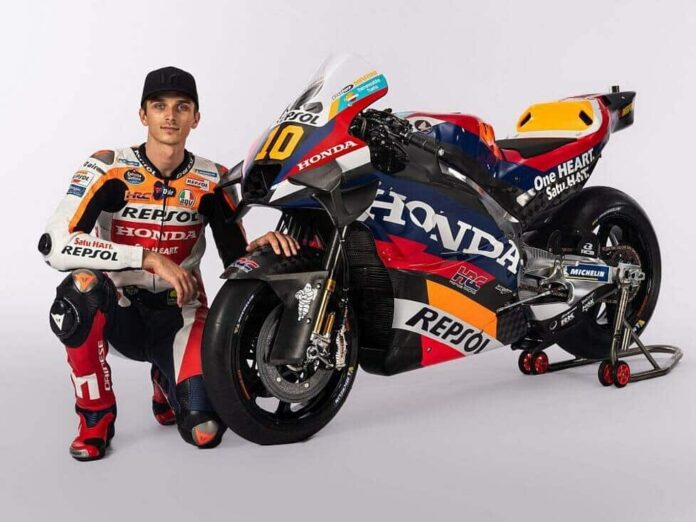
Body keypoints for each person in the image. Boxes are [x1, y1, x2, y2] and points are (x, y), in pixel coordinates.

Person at [38, 66, 298, 461]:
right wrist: (147, 258)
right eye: (159, 106)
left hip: (180, 313)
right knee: (81, 288)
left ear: (196, 118)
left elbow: (235, 261)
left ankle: (166, 378)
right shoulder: (108, 166)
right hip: (118, 311)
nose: (170, 116)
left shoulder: (214, 179)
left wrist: (260, 249)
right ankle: (95, 416)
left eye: (182, 107)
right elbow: (54, 244)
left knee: (206, 433)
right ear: (143, 115)